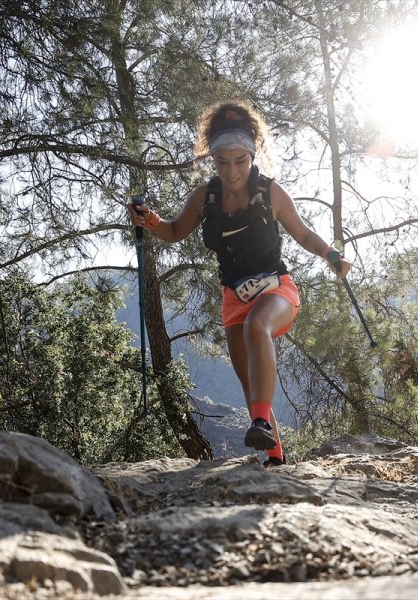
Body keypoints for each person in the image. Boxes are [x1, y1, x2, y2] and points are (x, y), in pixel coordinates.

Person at [128, 101, 348, 467]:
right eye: (222, 162)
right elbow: (174, 231)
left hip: (277, 289)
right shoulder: (205, 197)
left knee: (256, 325)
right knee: (250, 385)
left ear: (252, 154)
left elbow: (304, 234)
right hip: (234, 297)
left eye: (240, 161)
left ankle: (260, 421)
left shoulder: (270, 193)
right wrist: (149, 219)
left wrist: (332, 256)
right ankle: (276, 457)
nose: (232, 172)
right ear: (212, 159)